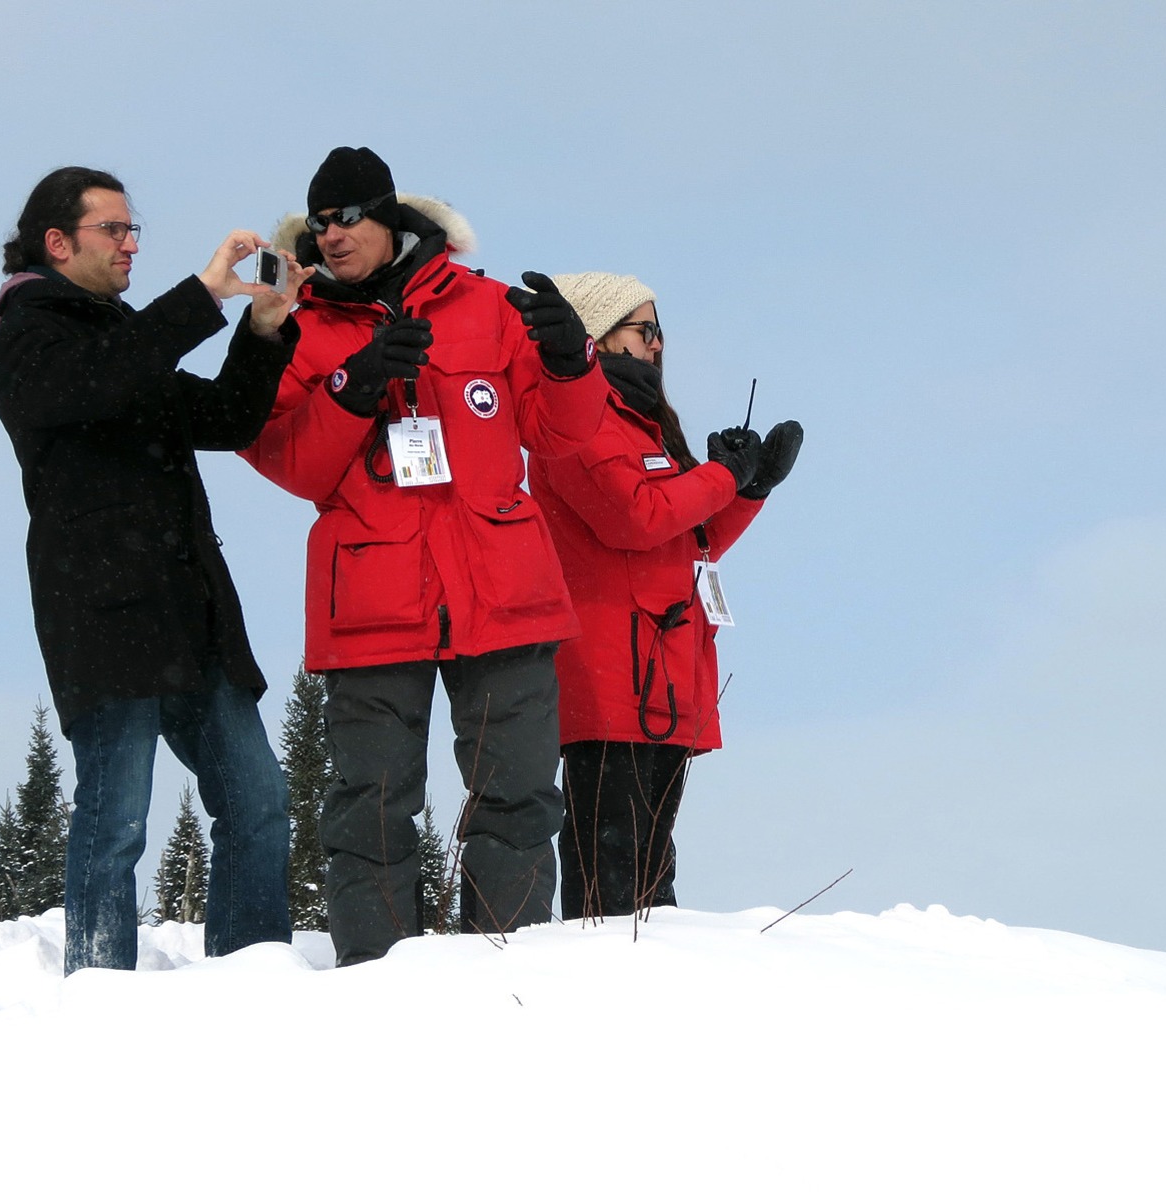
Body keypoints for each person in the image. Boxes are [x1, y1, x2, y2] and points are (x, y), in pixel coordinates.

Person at [241, 147, 607, 965]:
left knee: (518, 800)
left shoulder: (486, 306)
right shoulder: (295, 326)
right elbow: (290, 463)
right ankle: (378, 990)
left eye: (348, 218)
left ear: (389, 217)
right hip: (373, 602)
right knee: (368, 811)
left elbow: (566, 433)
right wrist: (355, 387)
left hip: (503, 592)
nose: (332, 236)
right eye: (319, 222)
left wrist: (572, 361)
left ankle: (506, 983)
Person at [0, 166, 308, 973]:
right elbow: (91, 385)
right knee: (117, 816)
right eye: (115, 230)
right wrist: (201, 293)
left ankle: (253, 977)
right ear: (57, 243)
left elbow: (227, 416)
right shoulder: (25, 339)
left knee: (259, 801)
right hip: (99, 611)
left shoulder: (127, 341)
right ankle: (98, 990)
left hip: (188, 611)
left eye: (136, 230)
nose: (132, 243)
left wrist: (263, 325)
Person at [530, 273, 802, 918]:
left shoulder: (642, 427)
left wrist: (750, 487)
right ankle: (608, 988)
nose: (656, 345)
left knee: (651, 867)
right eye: (642, 329)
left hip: (659, 668)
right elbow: (637, 518)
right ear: (595, 335)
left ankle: (651, 986)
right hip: (610, 674)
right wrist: (719, 476)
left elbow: (688, 542)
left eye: (659, 332)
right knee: (614, 869)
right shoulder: (580, 424)